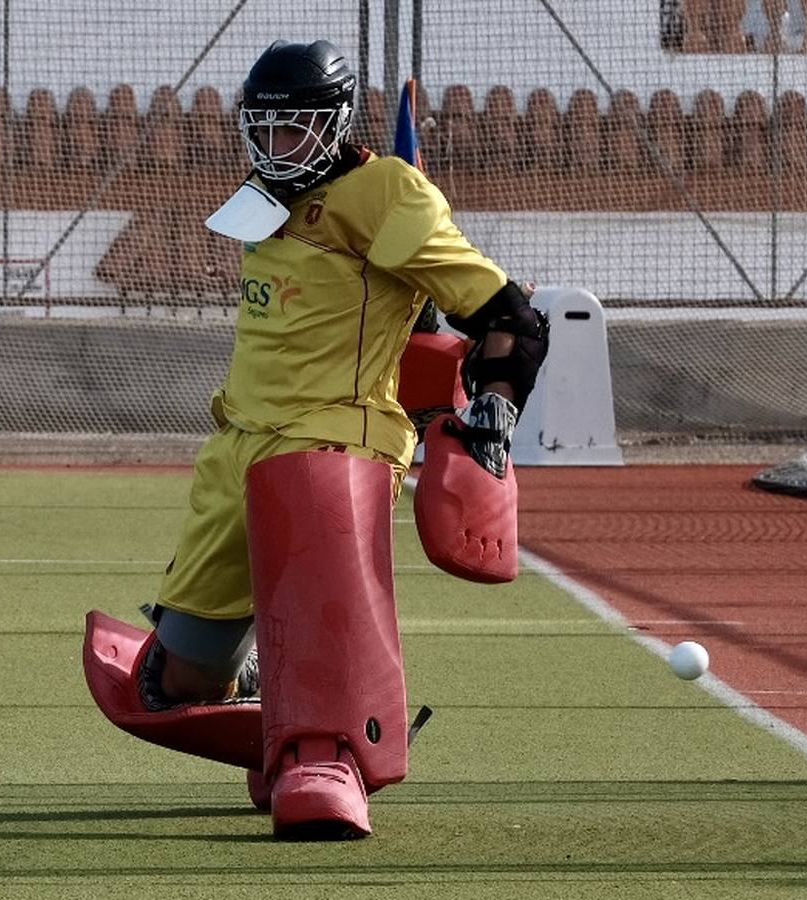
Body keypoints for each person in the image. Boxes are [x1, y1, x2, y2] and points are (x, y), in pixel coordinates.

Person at [128, 38, 549, 839]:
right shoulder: (264, 192)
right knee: (178, 675)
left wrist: (493, 413)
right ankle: (269, 704)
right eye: (264, 130)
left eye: (296, 130)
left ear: (336, 123)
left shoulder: (387, 192)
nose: (277, 147)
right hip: (238, 447)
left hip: (333, 442)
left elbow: (508, 319)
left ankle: (326, 751)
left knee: (316, 601)